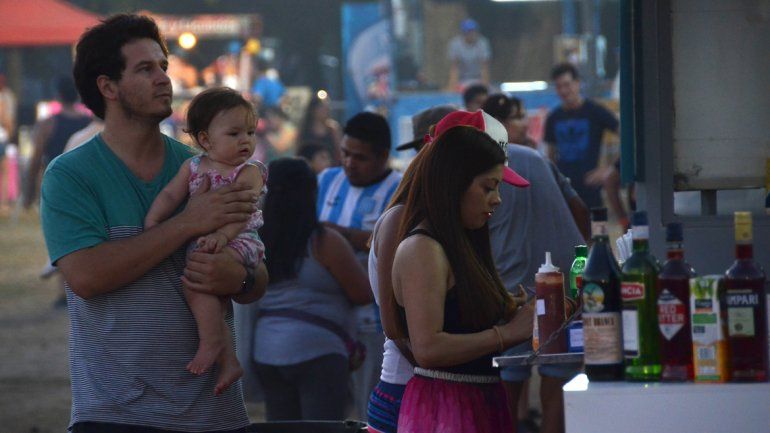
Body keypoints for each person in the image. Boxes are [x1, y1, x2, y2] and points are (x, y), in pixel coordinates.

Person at [40, 14, 267, 432]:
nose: (164, 78)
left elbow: (257, 277)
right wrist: (186, 224)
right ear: (107, 87)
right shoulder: (71, 175)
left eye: (162, 66)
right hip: (116, 416)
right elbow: (88, 277)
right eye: (145, 69)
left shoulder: (208, 168)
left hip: (214, 413)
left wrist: (238, 275)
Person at [391, 111, 534, 433]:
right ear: (453, 183)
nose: (496, 199)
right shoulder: (423, 249)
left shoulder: (460, 241)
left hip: (478, 399)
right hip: (447, 407)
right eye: (487, 187)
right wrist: (506, 334)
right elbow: (427, 348)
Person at [144, 87, 267, 395]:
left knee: (196, 283)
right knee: (204, 290)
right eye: (234, 133)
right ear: (205, 140)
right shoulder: (194, 167)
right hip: (210, 244)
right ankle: (227, 359)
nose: (245, 141)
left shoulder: (249, 172)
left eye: (250, 133)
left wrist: (221, 236)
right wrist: (154, 222)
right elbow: (172, 195)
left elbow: (241, 213)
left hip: (240, 241)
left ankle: (212, 343)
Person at [254, 157, 372, 420]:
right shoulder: (323, 241)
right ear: (311, 193)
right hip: (319, 352)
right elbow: (363, 293)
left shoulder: (258, 239)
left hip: (267, 351)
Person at [316, 111, 402, 419]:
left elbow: (399, 243)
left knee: (369, 406)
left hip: (375, 321)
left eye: (360, 157)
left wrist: (339, 236)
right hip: (327, 317)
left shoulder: (400, 189)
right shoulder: (327, 180)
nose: (350, 163)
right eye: (345, 154)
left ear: (382, 156)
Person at [483, 93, 590, 241]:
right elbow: (580, 210)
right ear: (498, 124)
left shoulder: (535, 158)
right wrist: (585, 252)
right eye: (518, 118)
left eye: (524, 116)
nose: (526, 124)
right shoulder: (534, 159)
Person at [544, 63, 620, 213]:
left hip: (591, 191)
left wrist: (610, 169)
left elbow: (627, 136)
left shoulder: (595, 111)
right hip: (564, 192)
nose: (564, 91)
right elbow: (550, 156)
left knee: (595, 235)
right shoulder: (553, 117)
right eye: (559, 86)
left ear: (577, 83)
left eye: (567, 84)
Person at [24, 75, 92, 208]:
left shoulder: (48, 124)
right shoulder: (89, 123)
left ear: (58, 95)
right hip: (84, 186)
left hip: (58, 186)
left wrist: (29, 194)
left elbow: (35, 161)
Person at [447, 18, 491, 91]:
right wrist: (452, 86)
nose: (472, 34)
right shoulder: (455, 44)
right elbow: (454, 68)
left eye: (474, 31)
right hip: (462, 80)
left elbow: (484, 67)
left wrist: (485, 86)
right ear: (464, 33)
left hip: (478, 80)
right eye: (469, 32)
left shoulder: (482, 43)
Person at [299, 93, 343, 164]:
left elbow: (341, 151)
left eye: (327, 107)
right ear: (313, 110)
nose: (325, 110)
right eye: (321, 107)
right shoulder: (305, 130)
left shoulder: (333, 129)